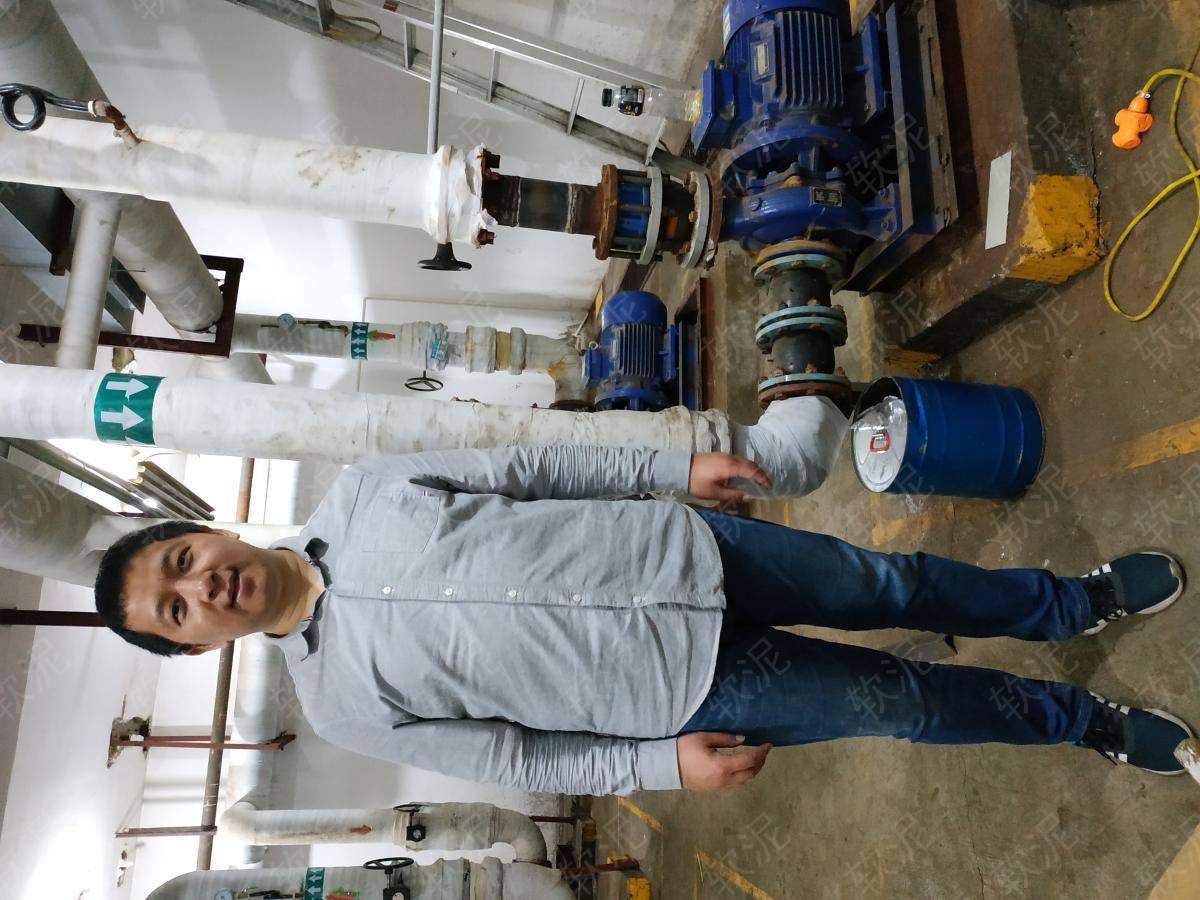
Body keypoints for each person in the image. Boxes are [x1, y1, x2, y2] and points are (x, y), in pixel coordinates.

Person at [94, 399, 1193, 793]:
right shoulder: (340, 705)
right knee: (900, 703)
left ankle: (1069, 605)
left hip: (689, 551)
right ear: (195, 648)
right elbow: (517, 757)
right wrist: (661, 768)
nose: (202, 586)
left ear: (204, 530)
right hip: (688, 688)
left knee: (893, 580)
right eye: (176, 609)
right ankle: (1082, 723)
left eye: (180, 561)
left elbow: (534, 466)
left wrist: (671, 467)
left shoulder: (369, 487)